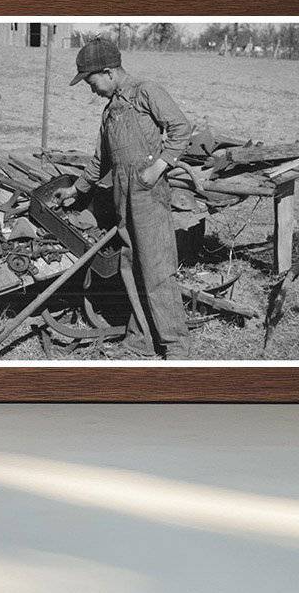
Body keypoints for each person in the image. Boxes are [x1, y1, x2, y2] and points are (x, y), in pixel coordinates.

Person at [52, 38, 193, 359]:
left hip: (148, 194)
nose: (92, 90)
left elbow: (181, 128)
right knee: (132, 267)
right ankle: (142, 341)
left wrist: (158, 167)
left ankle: (177, 347)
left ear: (109, 72)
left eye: (92, 82)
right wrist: (76, 189)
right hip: (122, 197)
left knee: (157, 269)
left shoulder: (145, 92)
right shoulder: (109, 111)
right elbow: (100, 160)